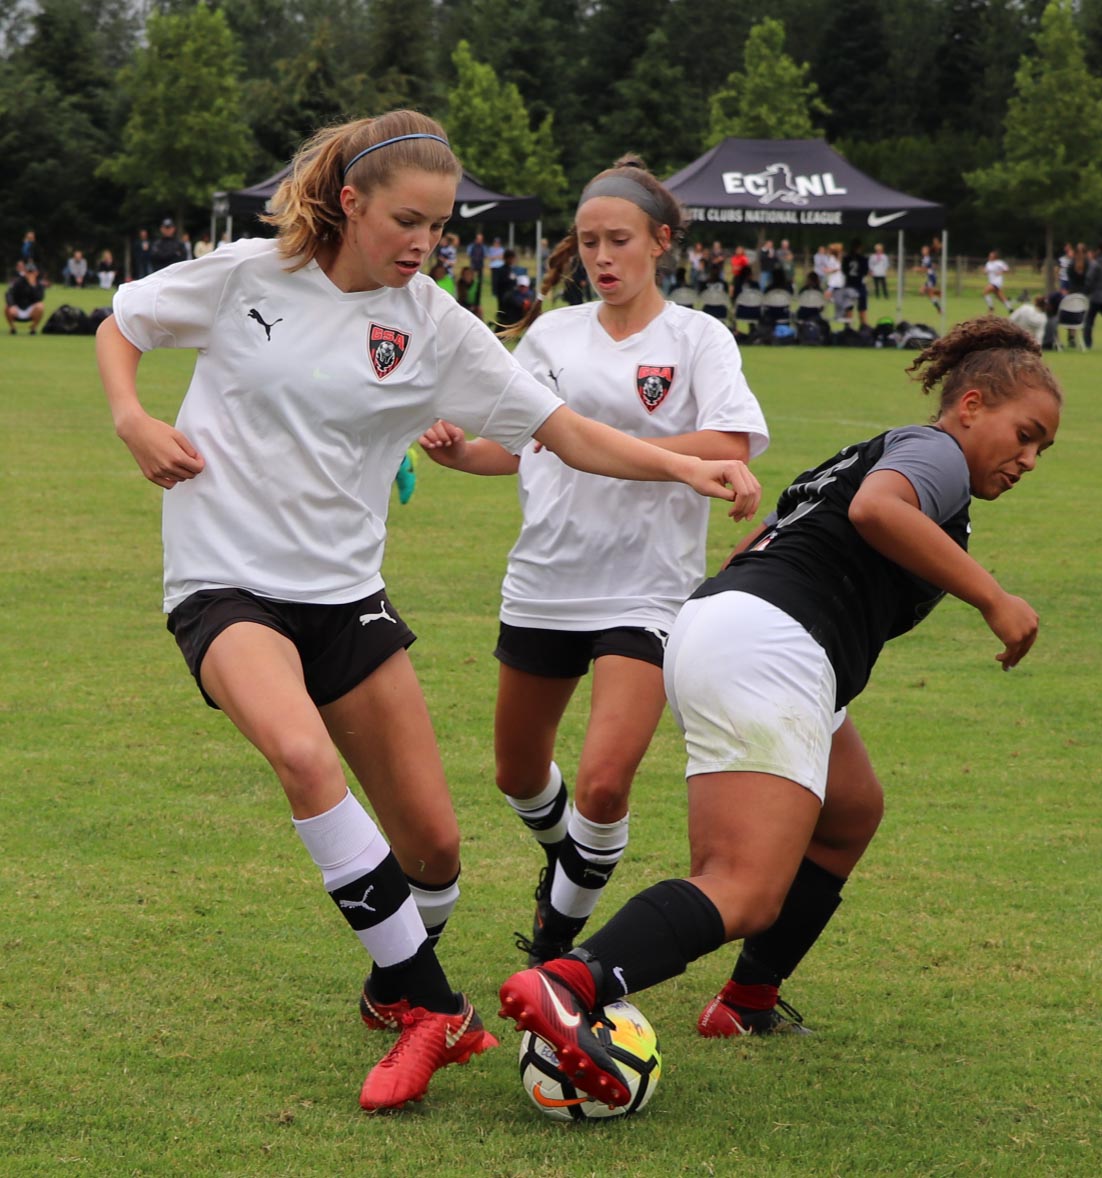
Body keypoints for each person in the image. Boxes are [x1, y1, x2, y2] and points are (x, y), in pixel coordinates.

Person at [94, 109, 759, 1115]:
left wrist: (685, 465)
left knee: (434, 852)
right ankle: (430, 1009)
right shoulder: (245, 275)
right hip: (222, 582)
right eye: (407, 219)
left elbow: (566, 433)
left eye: (440, 227)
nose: (423, 243)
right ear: (349, 202)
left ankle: (393, 975)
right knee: (305, 759)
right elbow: (122, 324)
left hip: (345, 596)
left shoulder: (436, 324)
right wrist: (133, 416)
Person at [498, 316, 1062, 1107]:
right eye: (1024, 434)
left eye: (1044, 449)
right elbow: (878, 513)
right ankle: (571, 982)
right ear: (969, 405)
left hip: (731, 626)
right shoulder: (934, 455)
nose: (1030, 459)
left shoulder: (876, 449)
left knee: (851, 810)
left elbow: (769, 542)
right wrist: (994, 597)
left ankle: (747, 1003)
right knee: (744, 885)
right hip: (770, 643)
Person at [417, 154, 769, 969]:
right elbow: (519, 445)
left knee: (605, 784)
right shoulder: (551, 334)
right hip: (545, 582)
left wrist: (599, 448)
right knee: (515, 774)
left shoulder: (696, 338)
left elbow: (729, 441)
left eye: (619, 240)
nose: (603, 257)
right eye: (588, 243)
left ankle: (554, 941)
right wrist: (459, 453)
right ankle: (568, 855)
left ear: (661, 243)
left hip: (647, 590)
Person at [6, 263, 47, 334]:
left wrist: (32, 285)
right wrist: (12, 305)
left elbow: (39, 298)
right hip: (17, 308)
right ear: (25, 273)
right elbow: (9, 293)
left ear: (36, 273)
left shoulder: (39, 284)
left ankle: (33, 328)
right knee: (7, 307)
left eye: (32, 272)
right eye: (28, 272)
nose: (30, 274)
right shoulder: (18, 282)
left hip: (31, 310)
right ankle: (13, 328)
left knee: (40, 306)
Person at [920, 245, 943, 315]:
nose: (922, 251)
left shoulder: (926, 258)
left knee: (924, 291)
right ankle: (939, 296)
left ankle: (939, 307)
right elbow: (930, 266)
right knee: (925, 292)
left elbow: (925, 268)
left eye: (924, 250)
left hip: (932, 277)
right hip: (931, 277)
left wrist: (917, 269)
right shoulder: (926, 258)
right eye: (922, 250)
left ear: (927, 251)